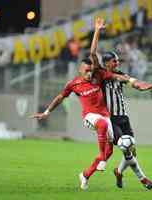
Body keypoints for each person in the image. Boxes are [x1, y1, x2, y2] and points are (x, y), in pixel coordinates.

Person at [31, 18, 136, 190]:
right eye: (86, 70)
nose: (89, 73)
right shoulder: (74, 84)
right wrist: (47, 112)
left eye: (91, 70)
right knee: (102, 129)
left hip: (106, 117)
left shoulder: (99, 76)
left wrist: (97, 31)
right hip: (90, 117)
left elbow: (93, 53)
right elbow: (60, 97)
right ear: (80, 70)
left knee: (111, 150)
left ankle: (85, 174)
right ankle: (102, 159)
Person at [101, 51, 152, 189]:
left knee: (132, 151)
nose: (117, 63)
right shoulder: (101, 76)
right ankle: (143, 179)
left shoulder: (121, 74)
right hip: (111, 119)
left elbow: (137, 85)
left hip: (123, 117)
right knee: (126, 148)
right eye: (114, 61)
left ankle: (118, 172)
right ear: (107, 63)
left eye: (118, 61)